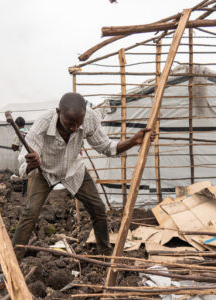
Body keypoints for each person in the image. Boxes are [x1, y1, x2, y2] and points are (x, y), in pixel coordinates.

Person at [12, 92, 154, 260]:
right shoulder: (43, 123)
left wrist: (133, 140)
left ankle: (105, 253)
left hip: (73, 169)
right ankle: (13, 259)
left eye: (77, 124)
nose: (74, 128)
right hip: (44, 170)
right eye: (69, 123)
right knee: (30, 212)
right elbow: (22, 163)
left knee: (98, 208)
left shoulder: (89, 118)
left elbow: (107, 147)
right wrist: (31, 164)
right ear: (58, 113)